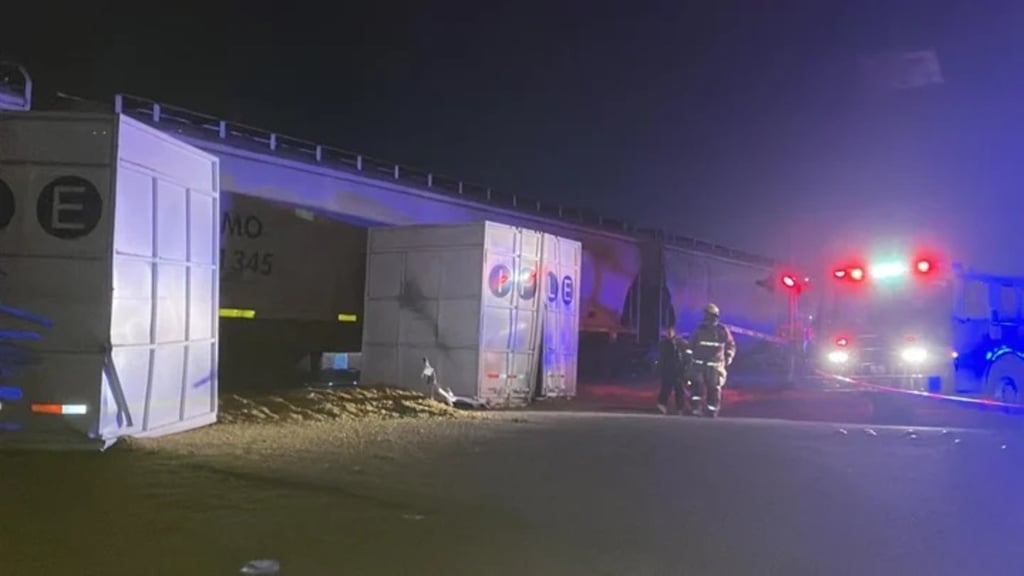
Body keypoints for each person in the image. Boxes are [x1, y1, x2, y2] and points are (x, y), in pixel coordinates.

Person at [687, 303, 736, 417]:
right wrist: (688, 358)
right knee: (696, 387)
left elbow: (730, 345)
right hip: (699, 364)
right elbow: (691, 345)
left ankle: (712, 409)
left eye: (708, 315)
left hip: (715, 366)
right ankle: (696, 408)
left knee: (713, 388)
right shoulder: (700, 329)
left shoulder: (722, 330)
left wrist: (729, 356)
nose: (706, 317)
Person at [656, 326, 686, 414]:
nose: (669, 333)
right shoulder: (663, 344)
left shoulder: (680, 343)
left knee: (679, 390)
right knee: (666, 388)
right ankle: (662, 404)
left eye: (670, 331)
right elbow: (661, 358)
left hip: (678, 370)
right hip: (668, 370)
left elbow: (685, 355)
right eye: (667, 331)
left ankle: (680, 408)